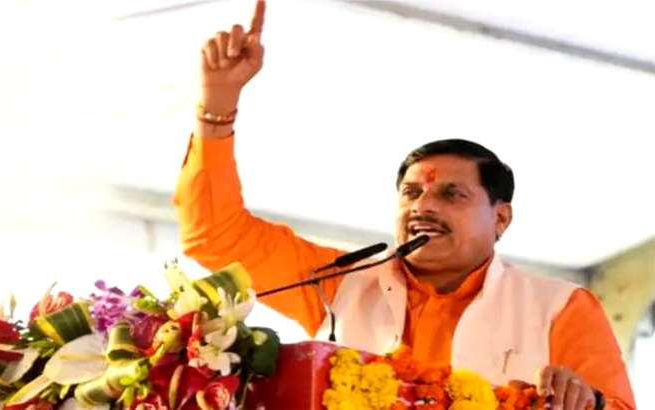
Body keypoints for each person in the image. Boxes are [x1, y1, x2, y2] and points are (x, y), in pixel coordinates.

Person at [172, 1, 635, 409]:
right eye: (411, 193)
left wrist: (588, 403)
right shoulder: (340, 285)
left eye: (451, 194)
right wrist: (217, 107)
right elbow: (215, 236)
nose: (423, 206)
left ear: (501, 217)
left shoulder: (557, 307)